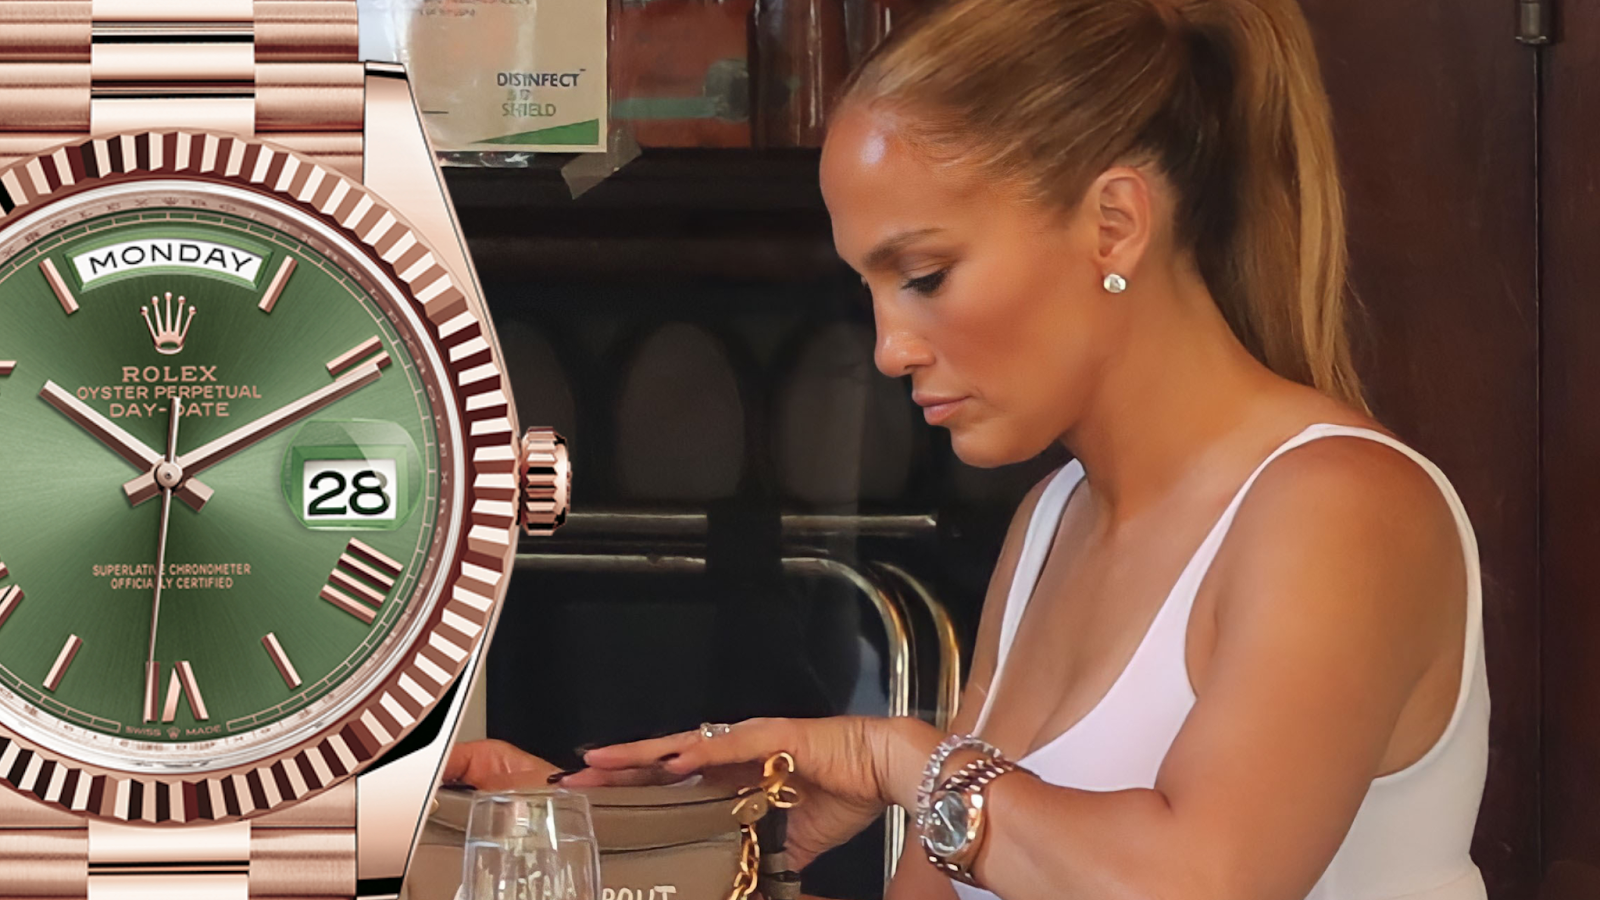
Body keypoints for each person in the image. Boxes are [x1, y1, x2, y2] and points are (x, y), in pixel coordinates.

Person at [449, 0, 1490, 897]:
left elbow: (1196, 882)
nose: (889, 349)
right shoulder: (1052, 525)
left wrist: (894, 760)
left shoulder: (1338, 506)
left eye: (926, 276)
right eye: (870, 287)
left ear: (1114, 224)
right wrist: (604, 843)